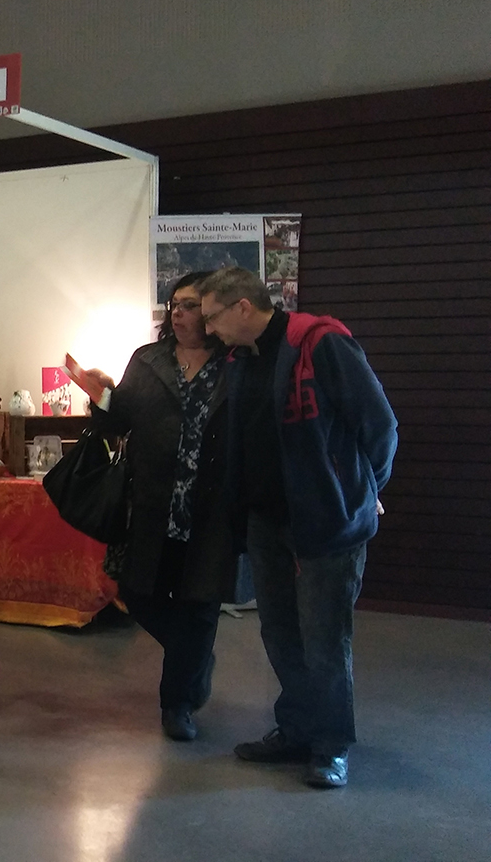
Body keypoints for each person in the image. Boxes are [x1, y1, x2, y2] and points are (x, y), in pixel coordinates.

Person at [198, 266, 396, 789]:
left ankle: (331, 746)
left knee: (324, 640)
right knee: (280, 632)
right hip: (267, 520)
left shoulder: (321, 343)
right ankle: (297, 729)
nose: (209, 329)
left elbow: (379, 425)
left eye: (213, 317)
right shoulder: (241, 360)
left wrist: (363, 490)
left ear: (243, 307)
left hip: (326, 521)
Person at [80, 270, 247, 742]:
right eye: (174, 304)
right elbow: (120, 419)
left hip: (212, 508)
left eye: (190, 305)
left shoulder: (236, 362)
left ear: (211, 311)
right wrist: (101, 395)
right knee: (138, 594)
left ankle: (177, 706)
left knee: (200, 604)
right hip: (154, 505)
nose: (178, 313)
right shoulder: (147, 359)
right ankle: (194, 659)